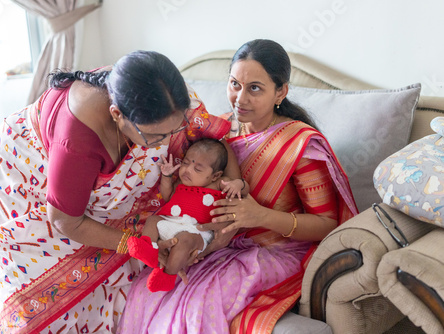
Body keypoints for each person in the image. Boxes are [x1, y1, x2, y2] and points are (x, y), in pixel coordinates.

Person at [0, 50, 240, 334]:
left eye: (172, 132)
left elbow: (217, 142)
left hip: (80, 179)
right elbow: (66, 221)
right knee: (40, 300)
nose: (163, 144)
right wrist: (134, 245)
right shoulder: (76, 141)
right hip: (30, 168)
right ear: (117, 115)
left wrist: (237, 191)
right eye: (154, 137)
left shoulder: (168, 98)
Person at [118, 39, 359, 333]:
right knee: (144, 291)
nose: (240, 99)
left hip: (275, 251)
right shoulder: (216, 132)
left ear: (280, 91)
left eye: (255, 88)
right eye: (234, 84)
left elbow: (327, 224)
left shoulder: (300, 145)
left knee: (198, 306)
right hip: (215, 243)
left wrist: (260, 216)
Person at [127, 138, 249, 292]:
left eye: (197, 169)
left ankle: (167, 276)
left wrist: (238, 184)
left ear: (215, 175)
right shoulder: (183, 183)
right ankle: (148, 249)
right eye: (185, 163)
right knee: (153, 220)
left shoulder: (219, 183)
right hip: (171, 223)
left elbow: (244, 190)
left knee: (184, 240)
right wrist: (166, 176)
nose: (188, 170)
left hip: (197, 231)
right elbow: (168, 196)